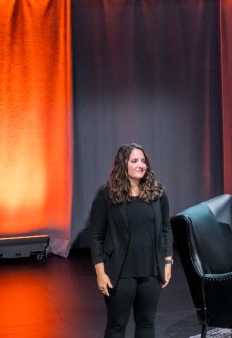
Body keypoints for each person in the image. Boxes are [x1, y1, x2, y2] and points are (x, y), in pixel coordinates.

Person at [88, 143, 173, 338]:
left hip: (151, 271)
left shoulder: (157, 193)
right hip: (120, 272)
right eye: (134, 161)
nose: (140, 165)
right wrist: (100, 273)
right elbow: (96, 237)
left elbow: (166, 229)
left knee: (146, 323)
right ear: (122, 164)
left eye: (143, 161)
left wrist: (167, 262)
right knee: (117, 325)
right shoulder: (107, 195)